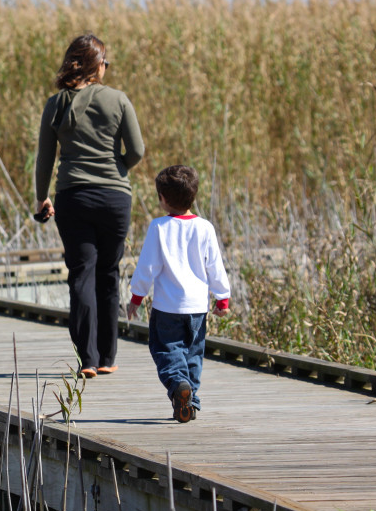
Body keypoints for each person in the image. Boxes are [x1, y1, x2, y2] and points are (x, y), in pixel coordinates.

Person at [35, 34, 145, 379]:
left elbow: (44, 159)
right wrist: (118, 168)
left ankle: (87, 359)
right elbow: (138, 150)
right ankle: (109, 356)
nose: (107, 68)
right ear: (96, 64)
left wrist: (42, 196)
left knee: (81, 273)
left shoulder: (55, 104)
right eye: (105, 62)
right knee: (108, 274)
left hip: (73, 195)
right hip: (115, 197)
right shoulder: (118, 99)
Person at [126, 165, 231, 423]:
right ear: (193, 196)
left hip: (168, 307)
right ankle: (189, 400)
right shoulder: (205, 227)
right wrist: (222, 298)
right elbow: (214, 265)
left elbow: (148, 266)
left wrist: (136, 298)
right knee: (193, 354)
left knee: (166, 349)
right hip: (197, 307)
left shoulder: (159, 227)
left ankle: (178, 386)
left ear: (163, 198)